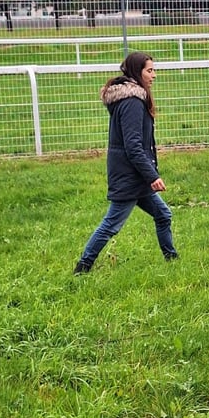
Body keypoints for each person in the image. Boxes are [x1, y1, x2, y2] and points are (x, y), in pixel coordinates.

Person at [74, 51, 178, 274]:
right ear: (136, 72)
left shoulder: (133, 98)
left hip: (135, 176)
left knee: (163, 214)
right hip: (131, 176)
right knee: (111, 224)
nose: (154, 75)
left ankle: (173, 261)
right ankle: (82, 268)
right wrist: (152, 175)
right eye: (149, 70)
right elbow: (133, 146)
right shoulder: (132, 102)